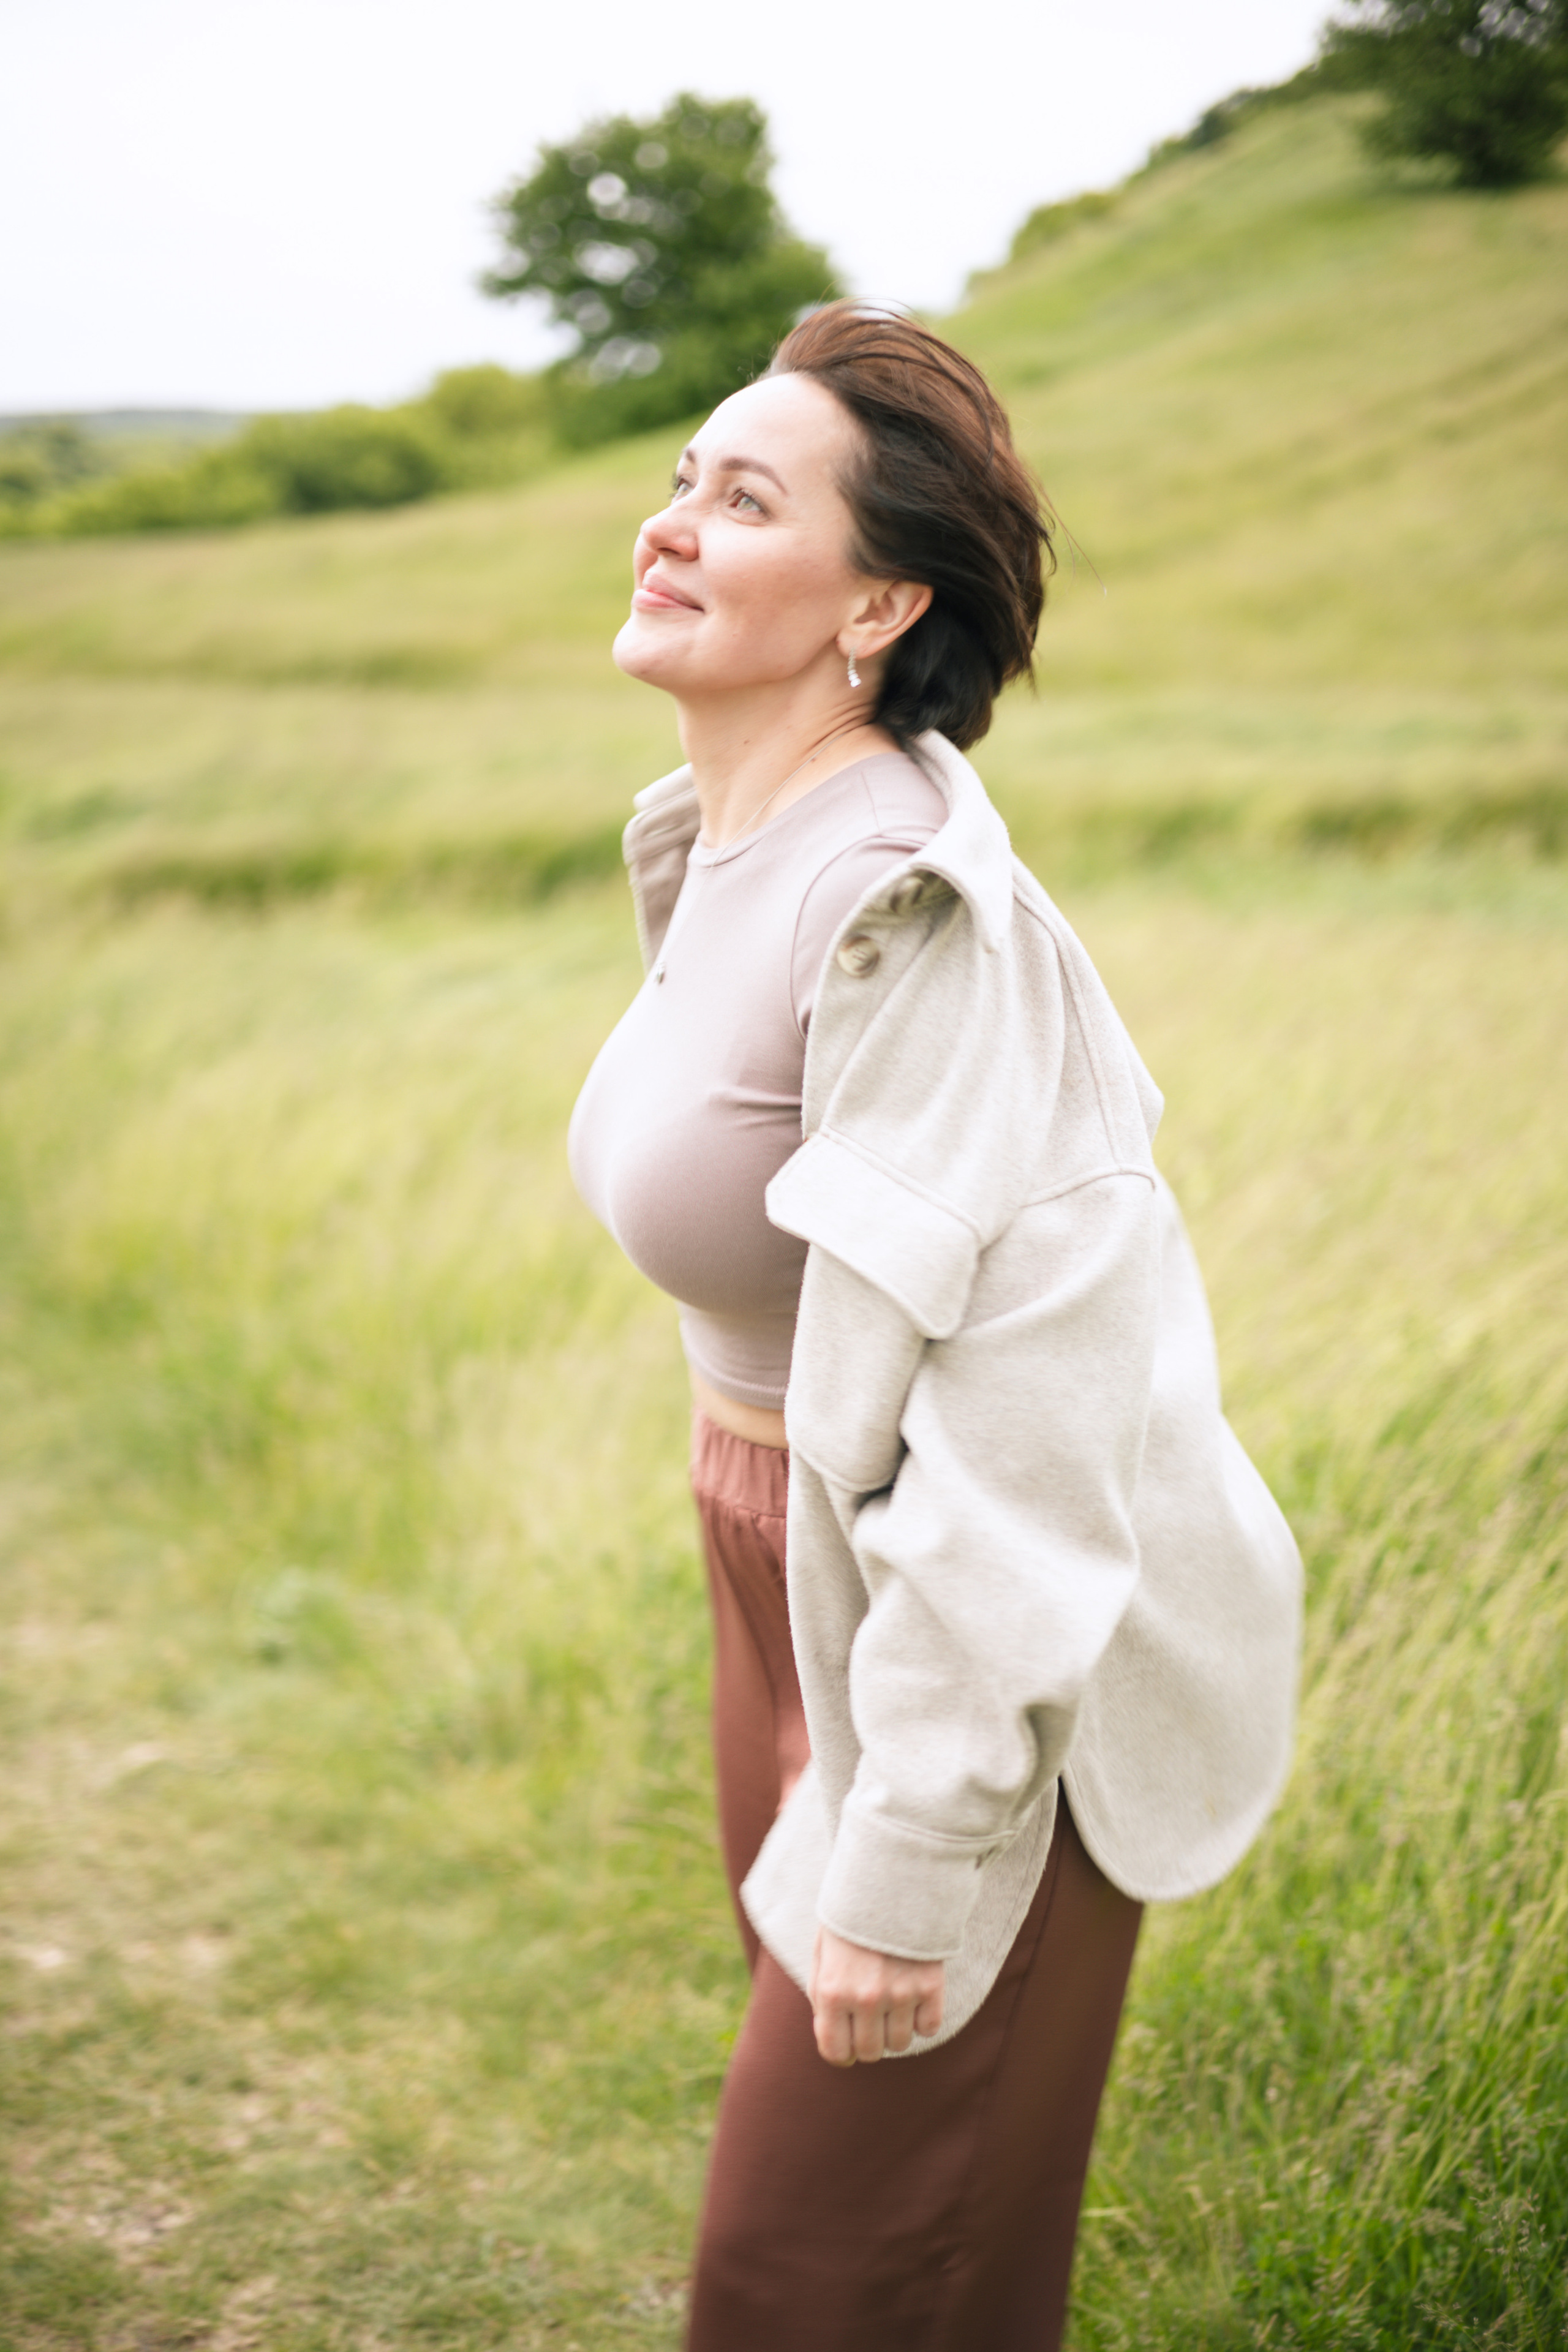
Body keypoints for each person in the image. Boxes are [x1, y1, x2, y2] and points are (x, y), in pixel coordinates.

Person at [568, 303, 1301, 2352]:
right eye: (680, 477)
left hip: (974, 1630)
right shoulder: (714, 844)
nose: (671, 524)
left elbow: (1032, 1427)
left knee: (831, 2273)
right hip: (786, 1571)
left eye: (745, 494)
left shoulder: (919, 917)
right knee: (865, 2248)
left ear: (881, 599)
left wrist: (917, 1833)